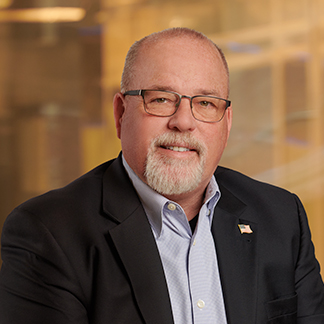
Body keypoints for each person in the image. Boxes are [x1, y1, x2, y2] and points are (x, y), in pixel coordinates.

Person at [0, 27, 323, 324]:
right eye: (161, 100)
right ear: (120, 113)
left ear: (226, 123)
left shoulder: (281, 218)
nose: (183, 122)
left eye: (206, 103)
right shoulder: (48, 233)